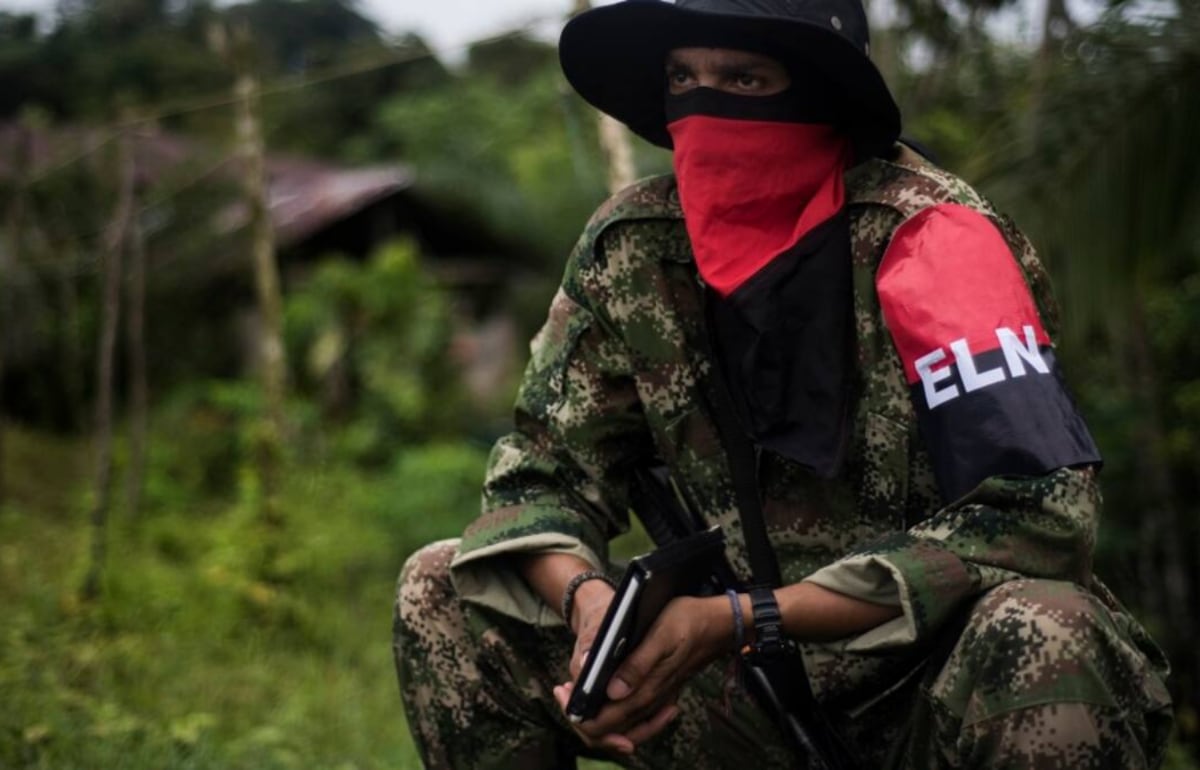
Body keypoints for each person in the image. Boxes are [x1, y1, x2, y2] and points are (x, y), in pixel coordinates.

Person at [393, 0, 1174, 767]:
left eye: (744, 81)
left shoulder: (933, 239)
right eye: (683, 78)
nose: (706, 109)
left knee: (1048, 630)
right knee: (439, 589)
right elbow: (541, 478)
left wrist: (746, 618)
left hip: (930, 687)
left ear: (816, 91)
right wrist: (590, 609)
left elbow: (1040, 517)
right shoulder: (634, 249)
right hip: (731, 689)